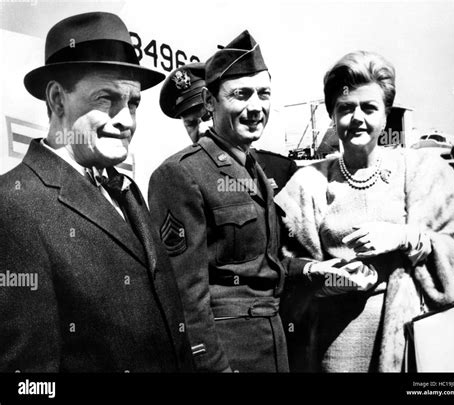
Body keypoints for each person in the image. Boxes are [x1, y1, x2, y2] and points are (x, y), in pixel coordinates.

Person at [148, 30, 359, 372]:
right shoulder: (181, 174)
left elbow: (264, 265)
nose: (255, 108)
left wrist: (314, 268)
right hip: (230, 355)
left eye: (263, 94)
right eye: (241, 95)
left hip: (273, 348)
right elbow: (185, 299)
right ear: (210, 104)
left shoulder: (253, 170)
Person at [0, 12, 194, 372]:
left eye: (133, 102)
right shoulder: (13, 205)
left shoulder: (125, 189)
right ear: (58, 99)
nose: (127, 120)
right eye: (106, 98)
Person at [275, 50, 454, 372]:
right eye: (345, 108)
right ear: (332, 114)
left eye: (369, 107)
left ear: (385, 113)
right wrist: (328, 277)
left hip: (409, 339)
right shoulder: (308, 183)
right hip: (335, 345)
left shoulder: (417, 170)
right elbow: (282, 269)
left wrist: (406, 236)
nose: (357, 118)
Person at [159, 63, 297, 195]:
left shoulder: (281, 169)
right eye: (191, 123)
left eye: (208, 117)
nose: (201, 129)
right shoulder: (180, 177)